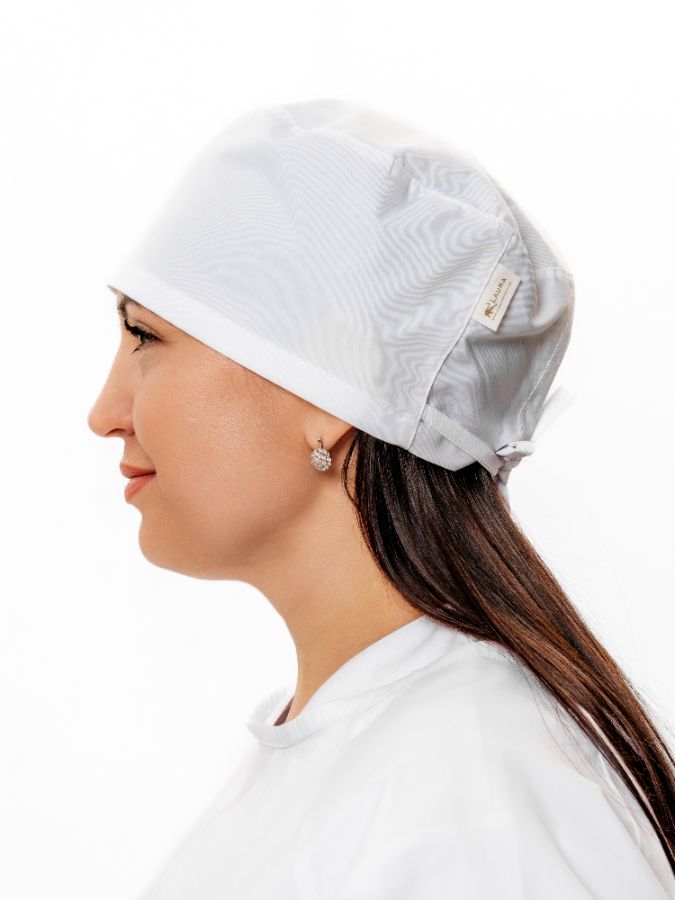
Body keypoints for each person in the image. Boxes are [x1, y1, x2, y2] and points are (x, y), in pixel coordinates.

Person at [87, 97, 675, 898]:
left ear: (333, 389)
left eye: (146, 337)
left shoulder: (466, 800)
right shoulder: (372, 744)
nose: (104, 413)